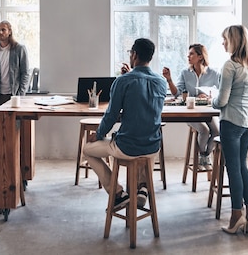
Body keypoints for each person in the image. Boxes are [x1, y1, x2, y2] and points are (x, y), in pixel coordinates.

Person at [83, 38, 167, 210]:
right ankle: (142, 188)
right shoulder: (161, 82)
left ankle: (118, 194)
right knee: (143, 141)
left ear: (134, 54)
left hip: (127, 147)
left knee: (87, 151)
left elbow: (111, 115)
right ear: (150, 57)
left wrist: (98, 134)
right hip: (152, 147)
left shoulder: (123, 82)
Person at [212, 25, 248, 234]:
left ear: (233, 41)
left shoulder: (229, 65)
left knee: (233, 169)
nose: (223, 43)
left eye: (225, 39)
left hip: (231, 121)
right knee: (242, 166)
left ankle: (236, 216)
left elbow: (221, 101)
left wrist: (212, 100)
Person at [163, 44, 220, 169]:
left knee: (216, 131)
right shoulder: (185, 73)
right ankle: (202, 158)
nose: (188, 56)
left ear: (200, 57)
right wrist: (169, 80)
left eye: (191, 54)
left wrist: (210, 97)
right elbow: (176, 93)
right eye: (188, 54)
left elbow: (221, 93)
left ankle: (205, 156)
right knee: (204, 131)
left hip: (207, 111)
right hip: (190, 112)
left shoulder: (214, 73)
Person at [0, 20, 30, 108]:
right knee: (0, 121)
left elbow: (25, 73)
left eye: (3, 30)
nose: (0, 32)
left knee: (16, 121)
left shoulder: (19, 49)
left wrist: (21, 94)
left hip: (15, 95)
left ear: (9, 32)